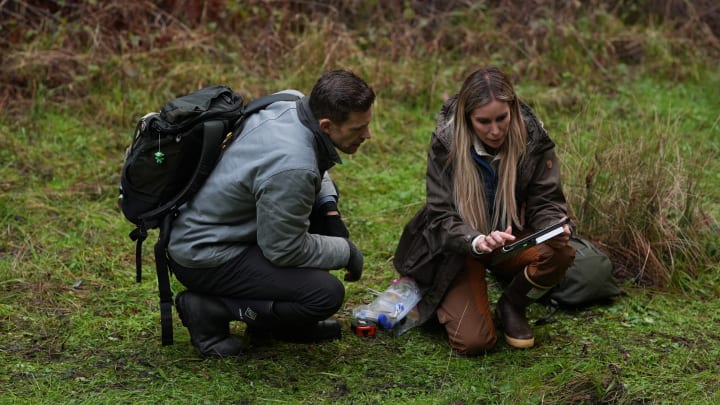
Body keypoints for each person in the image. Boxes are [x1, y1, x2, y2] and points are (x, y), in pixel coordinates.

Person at [167, 69, 375, 357]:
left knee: (319, 213)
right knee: (324, 294)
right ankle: (210, 309)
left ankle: (284, 323)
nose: (368, 134)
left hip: (219, 227)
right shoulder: (293, 166)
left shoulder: (292, 102)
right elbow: (284, 249)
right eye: (357, 129)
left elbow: (312, 168)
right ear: (326, 125)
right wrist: (346, 251)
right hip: (204, 255)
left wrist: (329, 210)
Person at [393, 66, 575, 355]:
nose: (495, 130)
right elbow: (440, 216)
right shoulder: (446, 143)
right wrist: (476, 241)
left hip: (512, 238)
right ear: (468, 119)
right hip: (461, 250)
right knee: (475, 342)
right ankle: (454, 294)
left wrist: (554, 224)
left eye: (502, 118)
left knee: (561, 251)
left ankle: (513, 304)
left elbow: (546, 199)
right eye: (483, 122)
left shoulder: (533, 138)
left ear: (513, 109)